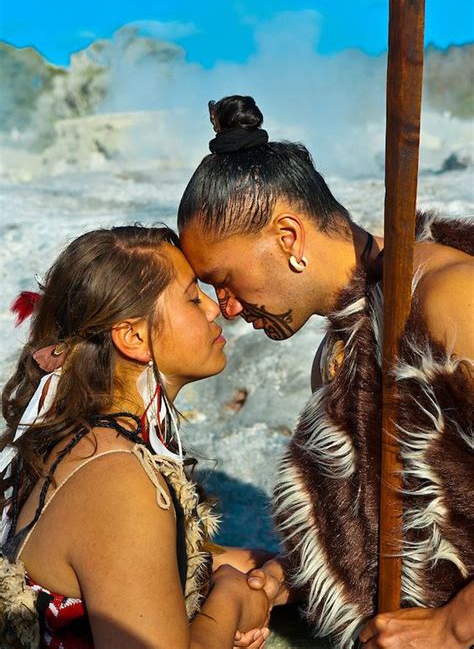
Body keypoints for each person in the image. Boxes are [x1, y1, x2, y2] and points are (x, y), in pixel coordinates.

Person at [177, 95, 474, 648]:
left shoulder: (448, 298)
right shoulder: (339, 351)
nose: (228, 308)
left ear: (288, 238)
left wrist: (455, 626)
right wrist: (298, 576)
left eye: (225, 279)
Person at [0, 225, 273, 649]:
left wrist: (271, 574)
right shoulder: (118, 481)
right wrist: (232, 599)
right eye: (191, 297)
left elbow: (150, 565)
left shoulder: (84, 440)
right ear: (134, 337)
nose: (214, 309)